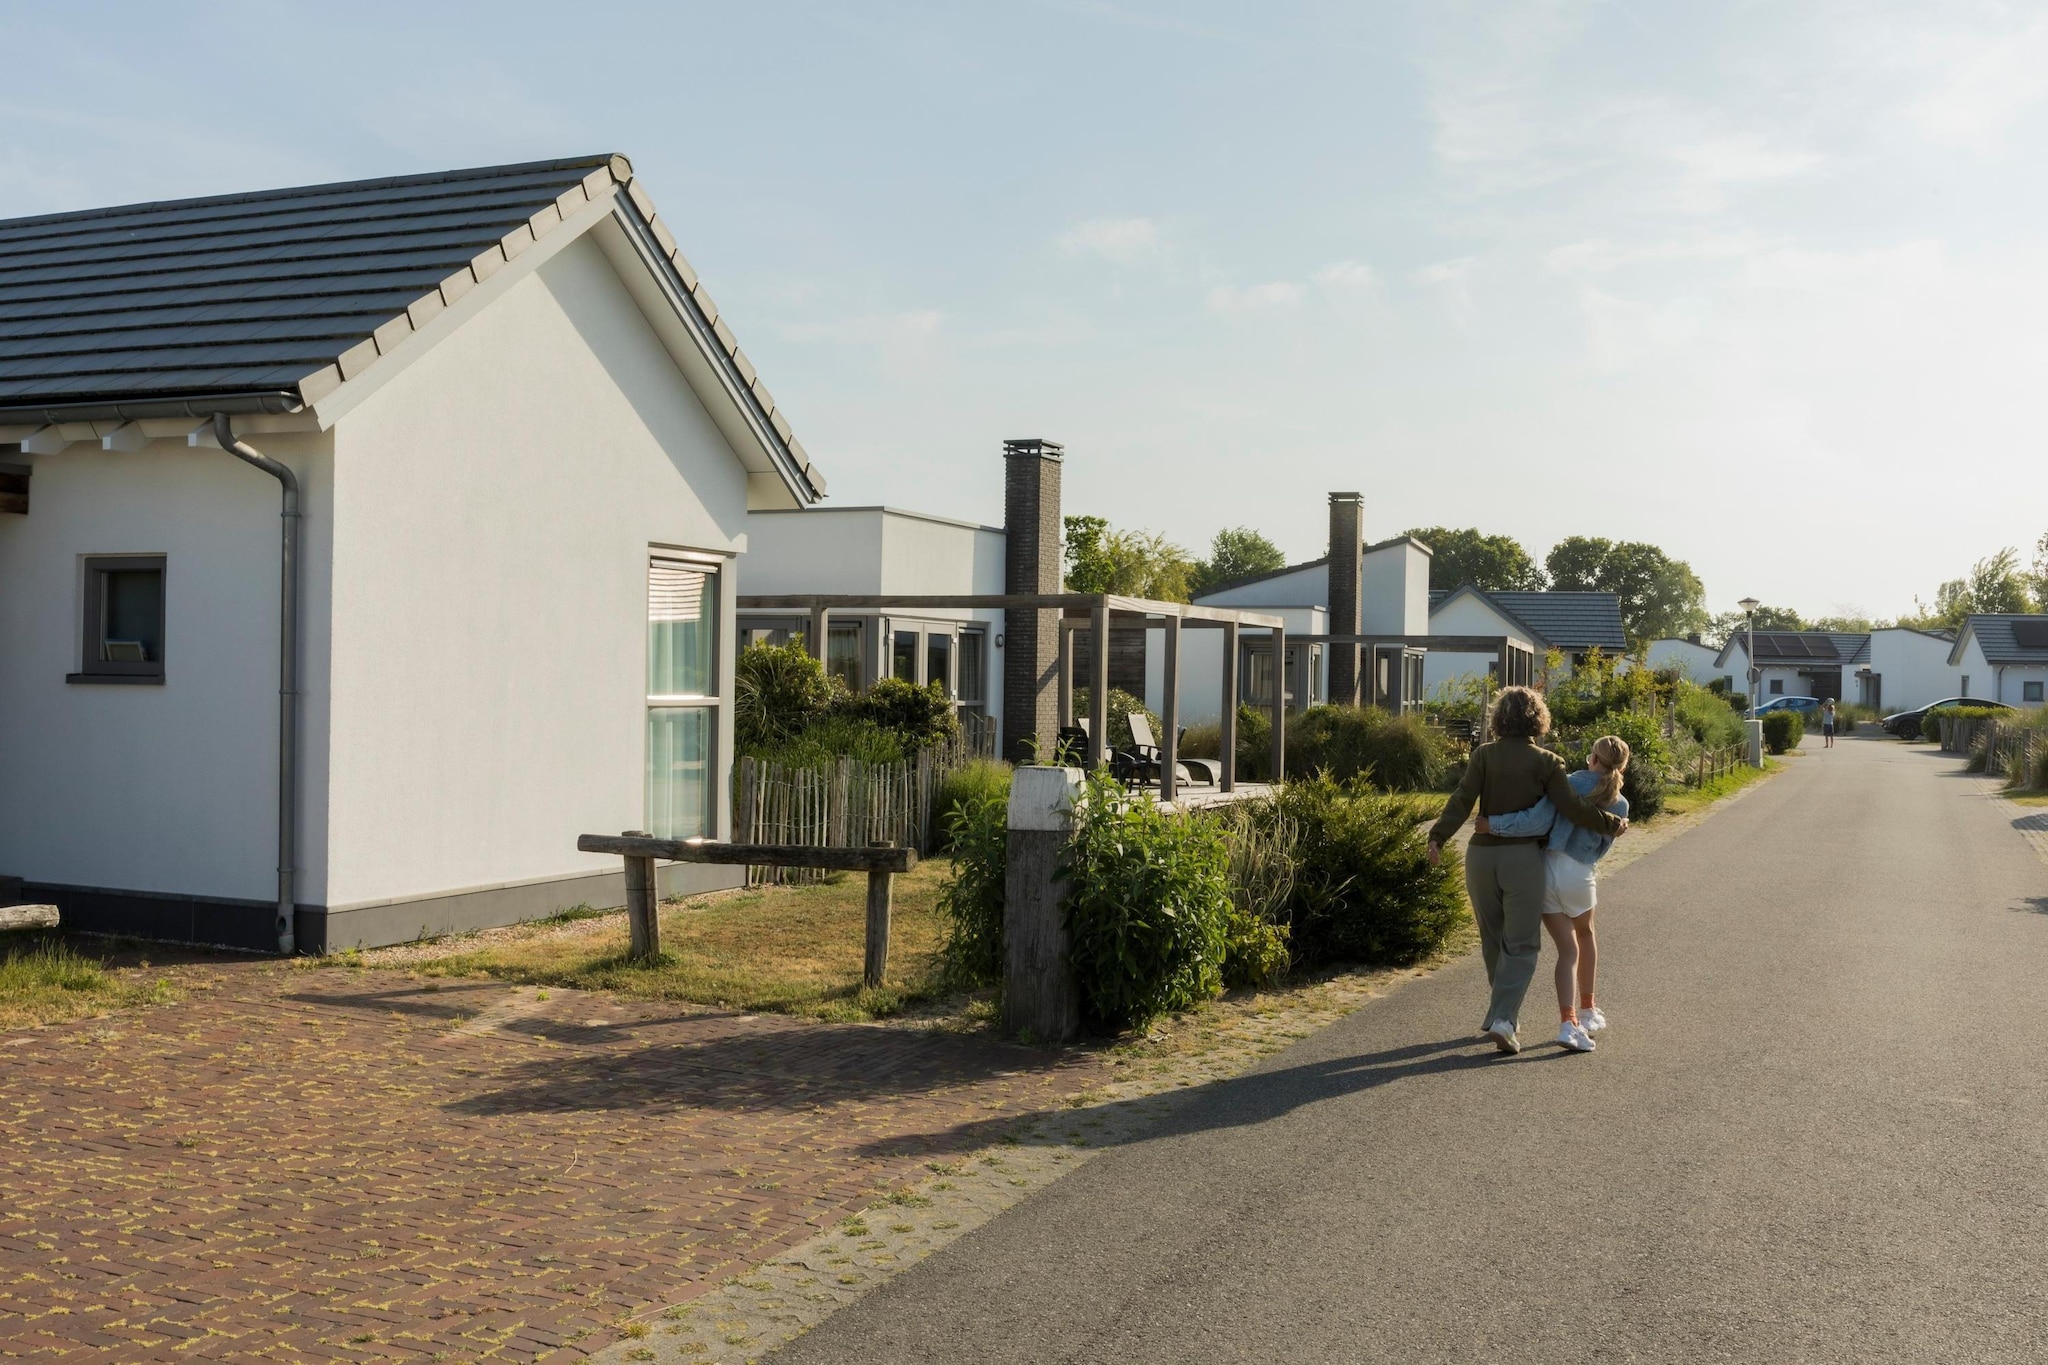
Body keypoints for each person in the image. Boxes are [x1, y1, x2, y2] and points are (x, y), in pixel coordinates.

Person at [1427, 687, 1627, 1055]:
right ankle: (1503, 1019)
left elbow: (1461, 799)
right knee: (1521, 944)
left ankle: (1504, 1014)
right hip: (1522, 860)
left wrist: (1438, 836)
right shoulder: (1549, 762)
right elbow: (1570, 807)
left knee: (1493, 938)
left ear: (1499, 717)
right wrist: (1609, 823)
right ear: (1539, 719)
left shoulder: (1482, 755)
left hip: (1480, 858)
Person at [1475, 735, 1631, 1054]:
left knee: (1566, 951)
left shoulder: (1568, 782)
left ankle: (1568, 1021)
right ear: (1621, 766)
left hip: (1546, 869)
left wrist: (1494, 825)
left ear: (1592, 758)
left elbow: (1537, 820)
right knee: (1586, 936)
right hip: (1578, 873)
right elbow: (1601, 850)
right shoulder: (1620, 802)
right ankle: (1587, 1010)